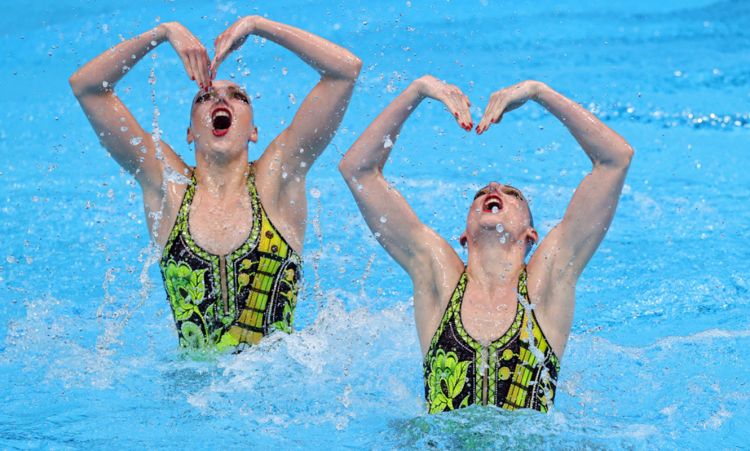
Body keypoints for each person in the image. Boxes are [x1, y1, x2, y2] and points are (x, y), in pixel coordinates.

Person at [339, 75, 633, 413]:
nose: (493, 187)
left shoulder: (546, 286)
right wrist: (417, 90)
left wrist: (538, 92)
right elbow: (357, 170)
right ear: (463, 236)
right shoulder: (439, 278)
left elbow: (616, 159)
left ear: (530, 235)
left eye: (513, 195)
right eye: (481, 194)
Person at [69, 17, 361, 350]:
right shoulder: (169, 185)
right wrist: (162, 33)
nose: (220, 100)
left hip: (274, 389)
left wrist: (256, 25)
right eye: (204, 97)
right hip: (190, 393)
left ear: (254, 132)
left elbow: (345, 71)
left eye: (238, 96)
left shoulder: (277, 180)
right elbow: (87, 87)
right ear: (190, 133)